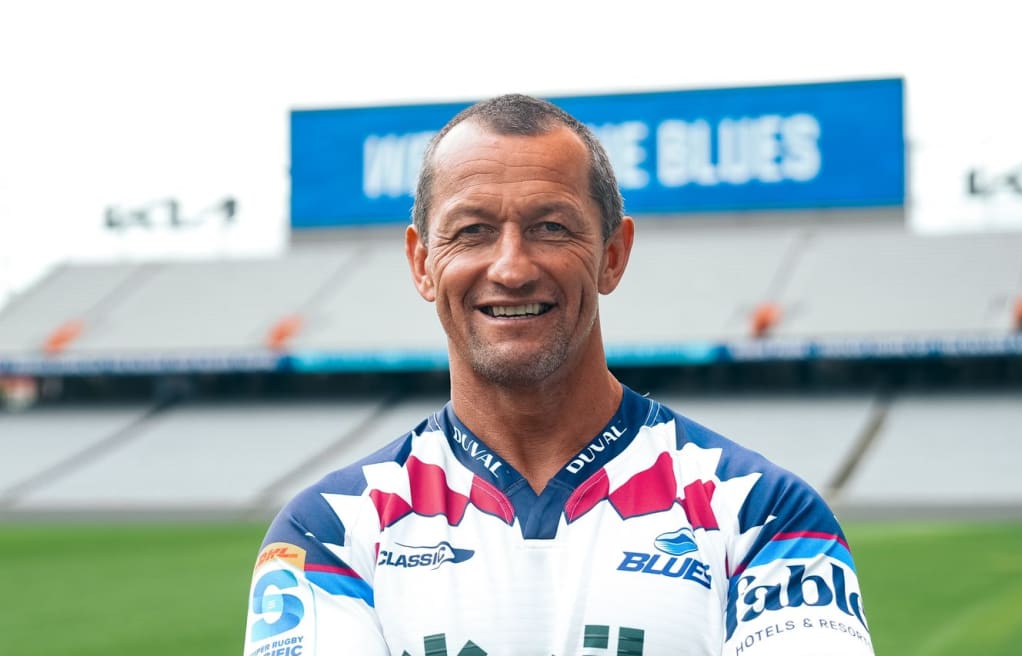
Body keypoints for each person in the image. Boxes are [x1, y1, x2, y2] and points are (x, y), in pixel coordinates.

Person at [243, 94, 875, 656]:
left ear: (613, 255)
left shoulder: (762, 516)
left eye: (551, 228)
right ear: (422, 262)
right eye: (472, 232)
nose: (512, 268)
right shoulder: (329, 531)